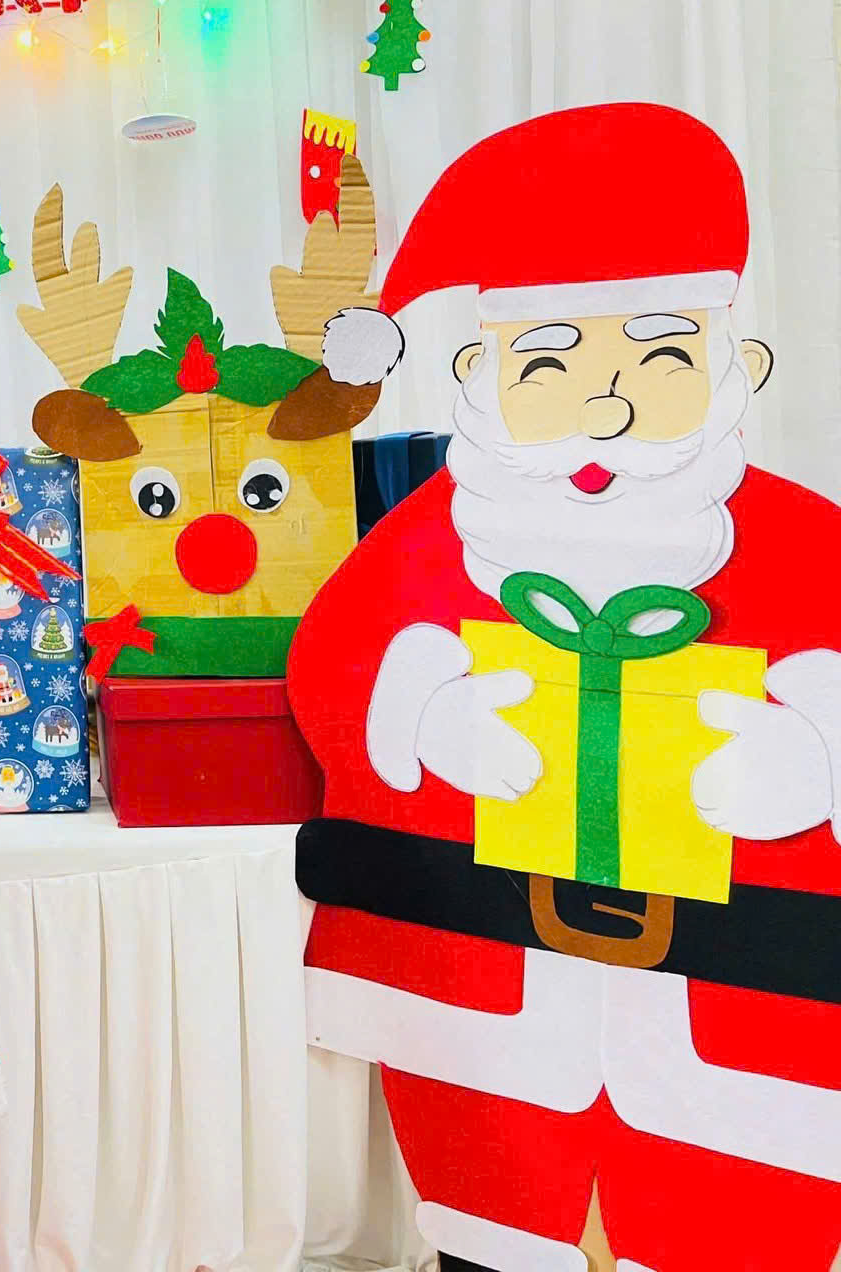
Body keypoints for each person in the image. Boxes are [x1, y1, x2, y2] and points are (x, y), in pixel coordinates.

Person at [293, 104, 841, 1272]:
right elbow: (337, 667)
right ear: (481, 377)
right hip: (489, 991)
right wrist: (424, 714)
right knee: (495, 1219)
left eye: (655, 359)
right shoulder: (420, 547)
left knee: (733, 1226)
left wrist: (811, 755)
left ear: (732, 366)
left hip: (744, 1009)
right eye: (549, 364)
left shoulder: (803, 542)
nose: (605, 406)